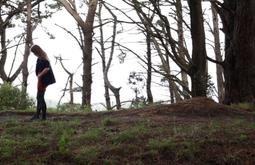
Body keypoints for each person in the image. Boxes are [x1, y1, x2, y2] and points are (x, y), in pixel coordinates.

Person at [30, 44, 56, 120]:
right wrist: (38, 75)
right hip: (40, 79)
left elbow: (47, 69)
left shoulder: (44, 58)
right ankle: (37, 115)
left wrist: (40, 75)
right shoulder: (40, 58)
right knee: (39, 97)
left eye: (33, 52)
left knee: (40, 97)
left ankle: (43, 116)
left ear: (36, 51)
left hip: (43, 80)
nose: (33, 54)